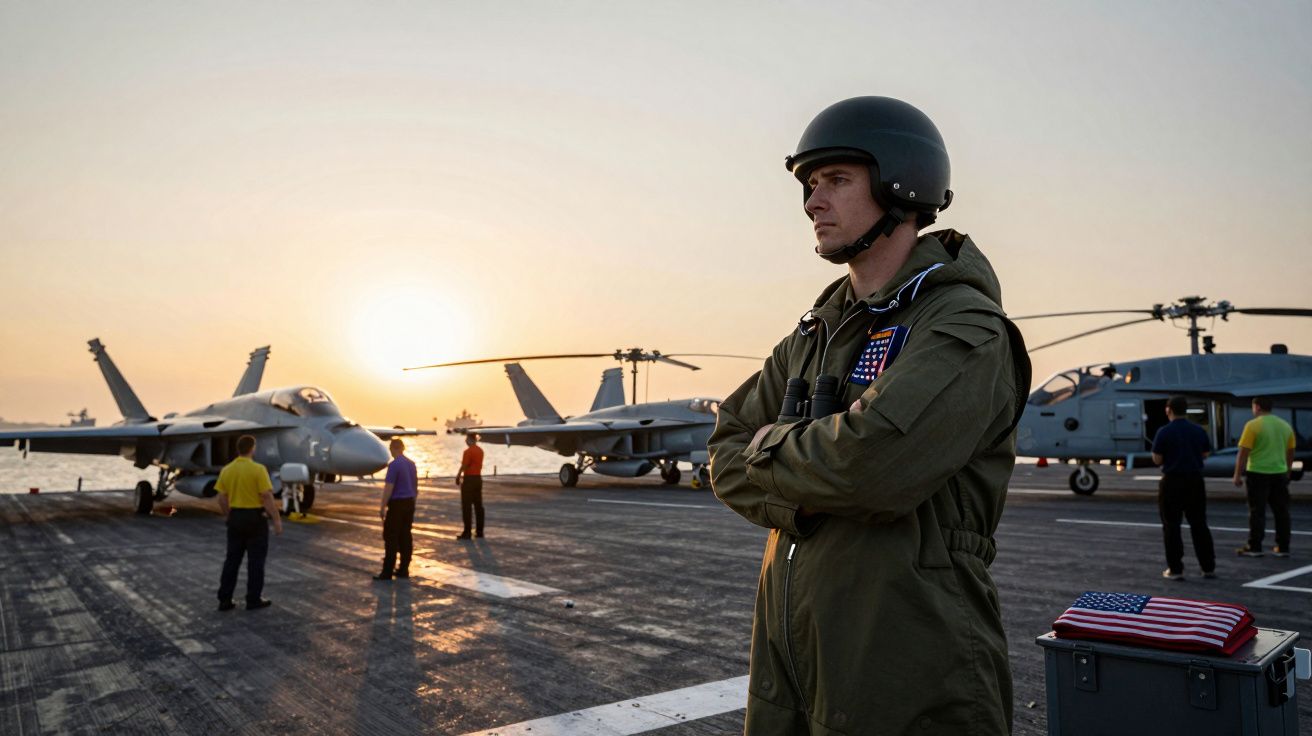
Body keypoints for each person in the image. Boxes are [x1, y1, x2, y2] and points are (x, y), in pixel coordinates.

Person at [708, 96, 1030, 734]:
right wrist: (806, 493)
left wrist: (774, 449)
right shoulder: (814, 334)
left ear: (899, 185)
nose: (813, 202)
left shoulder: (964, 325)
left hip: (907, 667)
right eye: (808, 185)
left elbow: (871, 469)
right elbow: (723, 451)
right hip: (790, 664)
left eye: (836, 180)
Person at [1150, 396, 1216, 579]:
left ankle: (1175, 569)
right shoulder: (1198, 430)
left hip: (1172, 482)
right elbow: (1205, 453)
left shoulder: (1164, 432)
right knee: (1199, 524)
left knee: (1171, 526)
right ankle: (1208, 567)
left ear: (1168, 410)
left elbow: (1157, 459)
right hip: (1195, 481)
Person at [215, 434, 282, 611]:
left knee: (232, 561)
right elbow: (266, 496)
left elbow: (221, 498)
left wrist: (229, 515)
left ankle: (225, 600)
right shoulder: (258, 469)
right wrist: (276, 520)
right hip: (255, 520)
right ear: (252, 448)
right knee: (256, 562)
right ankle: (253, 599)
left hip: (236, 518)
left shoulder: (227, 470)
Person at [1233, 396, 1296, 558]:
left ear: (1257, 407)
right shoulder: (1284, 425)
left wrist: (1237, 474)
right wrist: (1288, 471)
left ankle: (1255, 546)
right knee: (1282, 511)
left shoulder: (1252, 425)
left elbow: (1243, 452)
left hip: (1258, 473)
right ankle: (1283, 546)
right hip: (1279, 473)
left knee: (1257, 511)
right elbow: (1291, 450)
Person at [375, 438, 418, 580]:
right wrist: (412, 503)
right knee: (406, 536)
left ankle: (387, 572)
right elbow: (415, 487)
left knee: (391, 537)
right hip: (409, 503)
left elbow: (389, 487)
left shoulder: (394, 465)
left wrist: (382, 507)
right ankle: (404, 569)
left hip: (397, 505)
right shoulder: (412, 464)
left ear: (393, 449)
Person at [454, 433, 484, 540]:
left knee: (467, 506)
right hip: (478, 479)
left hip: (469, 479)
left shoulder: (468, 452)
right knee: (478, 506)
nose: (465, 441)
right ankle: (480, 531)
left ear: (471, 439)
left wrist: (458, 476)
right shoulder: (480, 451)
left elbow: (464, 465)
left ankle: (467, 532)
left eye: (466, 439)